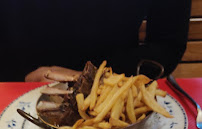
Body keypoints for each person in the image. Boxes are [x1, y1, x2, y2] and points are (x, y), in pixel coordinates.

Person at [1, 0, 191, 82]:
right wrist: (19, 76)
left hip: (117, 90)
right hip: (18, 90)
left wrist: (94, 79)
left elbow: (167, 45)